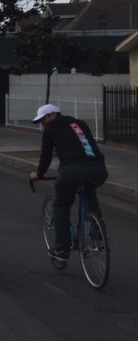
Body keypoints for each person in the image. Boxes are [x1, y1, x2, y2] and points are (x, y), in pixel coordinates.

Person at [28, 103, 108, 262]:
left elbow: (46, 156)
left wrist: (39, 174)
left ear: (52, 115)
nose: (43, 124)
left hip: (71, 170)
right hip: (98, 169)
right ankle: (97, 231)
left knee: (60, 207)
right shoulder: (80, 123)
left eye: (43, 119)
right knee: (88, 191)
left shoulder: (51, 129)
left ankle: (61, 249)